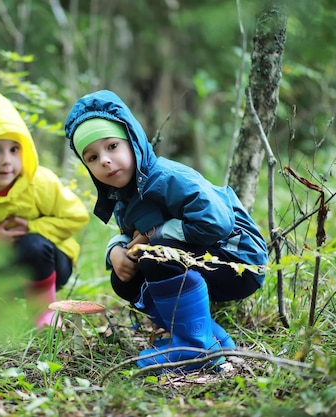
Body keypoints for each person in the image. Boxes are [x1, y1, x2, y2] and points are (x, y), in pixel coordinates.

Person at [64, 89, 268, 372]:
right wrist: (115, 251)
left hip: (237, 260)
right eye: (92, 157)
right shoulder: (125, 195)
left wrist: (156, 233)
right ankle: (213, 341)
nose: (105, 160)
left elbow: (218, 222)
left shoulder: (168, 178)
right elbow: (131, 233)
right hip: (201, 258)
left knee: (155, 255)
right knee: (124, 278)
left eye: (112, 146)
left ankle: (193, 351)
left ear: (133, 141)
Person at [0, 92, 90, 329]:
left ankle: (43, 311)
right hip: (2, 268)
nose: (6, 161)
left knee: (32, 245)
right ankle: (0, 312)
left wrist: (32, 227)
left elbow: (76, 216)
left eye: (14, 149)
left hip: (48, 264)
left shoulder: (39, 182)